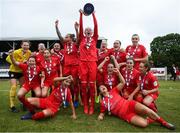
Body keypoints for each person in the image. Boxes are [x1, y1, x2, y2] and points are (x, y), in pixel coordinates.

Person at [98, 68, 175, 130]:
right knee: (143, 124)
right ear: (100, 92)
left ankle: (164, 122)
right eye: (100, 88)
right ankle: (150, 119)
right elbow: (102, 113)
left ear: (106, 88)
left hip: (129, 104)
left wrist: (118, 73)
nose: (102, 87)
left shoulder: (113, 91)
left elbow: (123, 82)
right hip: (125, 115)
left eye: (103, 86)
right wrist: (101, 116)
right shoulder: (103, 102)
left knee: (147, 110)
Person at [55, 19, 80, 107]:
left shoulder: (76, 44)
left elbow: (79, 38)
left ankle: (76, 99)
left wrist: (77, 29)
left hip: (75, 67)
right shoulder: (64, 45)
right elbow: (59, 36)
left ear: (71, 38)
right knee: (66, 83)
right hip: (66, 67)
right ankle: (67, 99)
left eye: (67, 37)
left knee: (74, 84)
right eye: (65, 37)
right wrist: (56, 27)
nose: (65, 38)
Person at [78, 9, 98, 114]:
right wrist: (81, 15)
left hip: (92, 63)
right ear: (85, 32)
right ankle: (85, 105)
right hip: (82, 63)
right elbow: (80, 27)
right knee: (84, 86)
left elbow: (96, 26)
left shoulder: (95, 38)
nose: (88, 31)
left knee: (91, 85)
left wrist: (93, 15)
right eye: (87, 30)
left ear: (92, 32)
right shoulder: (81, 38)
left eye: (90, 30)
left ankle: (92, 106)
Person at [6, 40, 31, 112]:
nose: (26, 46)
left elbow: (28, 61)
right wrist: (16, 63)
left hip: (22, 72)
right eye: (24, 45)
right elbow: (7, 59)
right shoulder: (16, 52)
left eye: (27, 45)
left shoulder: (29, 52)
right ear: (21, 45)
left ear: (29, 46)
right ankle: (12, 106)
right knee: (14, 86)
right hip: (13, 71)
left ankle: (22, 102)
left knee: (22, 87)